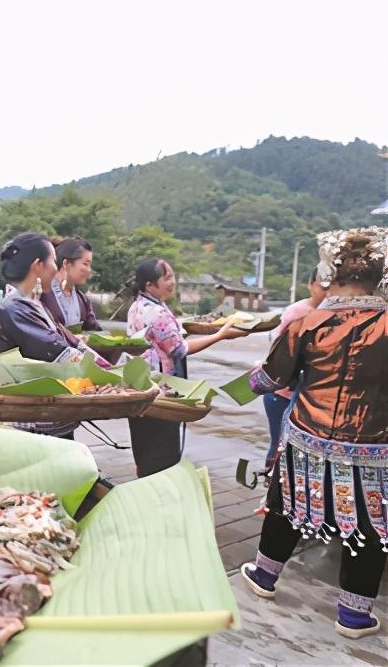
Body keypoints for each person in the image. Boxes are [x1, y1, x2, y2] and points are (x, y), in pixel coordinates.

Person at [241, 228, 387, 639]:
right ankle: (354, 615)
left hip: (307, 436)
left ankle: (264, 576)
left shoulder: (308, 323)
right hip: (372, 446)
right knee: (369, 524)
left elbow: (269, 381)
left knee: (286, 505)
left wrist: (253, 376)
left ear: (330, 275)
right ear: (379, 278)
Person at [125, 258, 246, 476]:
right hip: (162, 389)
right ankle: (161, 492)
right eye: (166, 277)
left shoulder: (136, 306)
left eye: (173, 276)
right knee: (163, 448)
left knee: (144, 446)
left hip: (140, 385)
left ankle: (145, 485)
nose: (173, 281)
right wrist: (221, 335)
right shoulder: (159, 313)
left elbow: (165, 338)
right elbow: (179, 350)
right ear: (150, 285)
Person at [0, 233, 111, 439]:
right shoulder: (14, 308)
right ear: (38, 266)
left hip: (51, 414)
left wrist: (110, 368)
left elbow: (72, 341)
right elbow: (57, 350)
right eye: (53, 261)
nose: (56, 269)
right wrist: (108, 376)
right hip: (31, 421)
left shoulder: (35, 304)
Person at [259, 268, 327, 470]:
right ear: (311, 285)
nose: (326, 289)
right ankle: (270, 488)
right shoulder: (298, 312)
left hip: (307, 395)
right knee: (279, 443)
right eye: (321, 284)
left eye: (330, 284)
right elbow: (277, 346)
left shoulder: (331, 313)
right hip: (282, 394)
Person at [40, 237, 101, 331]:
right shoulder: (40, 294)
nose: (89, 270)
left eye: (90, 265)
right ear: (66, 263)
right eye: (85, 264)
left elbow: (93, 329)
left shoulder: (82, 299)